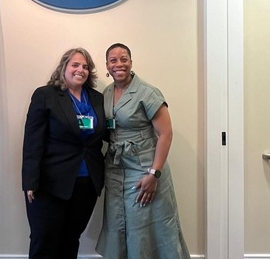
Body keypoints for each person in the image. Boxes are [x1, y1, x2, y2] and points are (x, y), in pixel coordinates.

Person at [96, 43, 190, 259]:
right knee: (118, 224)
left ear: (131, 62)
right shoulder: (107, 92)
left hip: (144, 168)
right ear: (107, 66)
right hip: (116, 168)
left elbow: (165, 134)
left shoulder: (148, 92)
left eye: (124, 59)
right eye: (113, 60)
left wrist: (154, 173)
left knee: (146, 228)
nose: (119, 64)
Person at [22, 47, 107, 259]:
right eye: (75, 65)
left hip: (87, 184)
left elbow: (105, 135)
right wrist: (30, 181)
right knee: (44, 240)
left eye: (86, 66)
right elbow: (33, 142)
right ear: (64, 68)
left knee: (70, 240)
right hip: (49, 185)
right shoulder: (45, 95)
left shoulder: (97, 99)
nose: (81, 70)